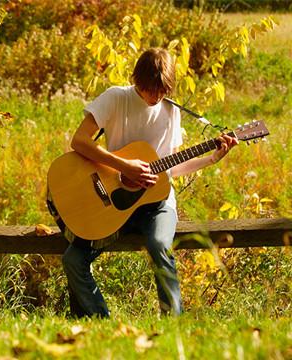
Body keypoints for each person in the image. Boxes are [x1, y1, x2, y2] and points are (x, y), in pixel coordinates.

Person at [58, 47, 238, 318]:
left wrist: (211, 159)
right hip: (113, 201)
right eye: (150, 89)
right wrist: (124, 165)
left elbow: (170, 169)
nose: (155, 97)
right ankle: (101, 323)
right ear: (137, 80)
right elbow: (79, 141)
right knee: (73, 259)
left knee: (158, 244)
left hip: (156, 203)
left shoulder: (170, 110)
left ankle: (172, 324)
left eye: (162, 91)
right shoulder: (115, 98)